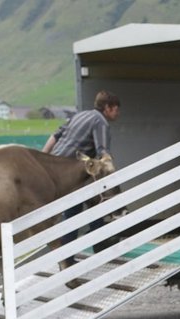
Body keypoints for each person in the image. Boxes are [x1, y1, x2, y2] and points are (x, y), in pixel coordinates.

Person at [42, 90, 122, 262]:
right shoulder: (101, 122)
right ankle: (72, 256)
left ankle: (94, 244)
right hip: (71, 174)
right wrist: (112, 175)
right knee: (77, 211)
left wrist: (42, 158)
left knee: (91, 204)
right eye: (116, 109)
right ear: (107, 108)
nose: (118, 113)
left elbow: (55, 136)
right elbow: (103, 152)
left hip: (54, 168)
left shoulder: (79, 116)